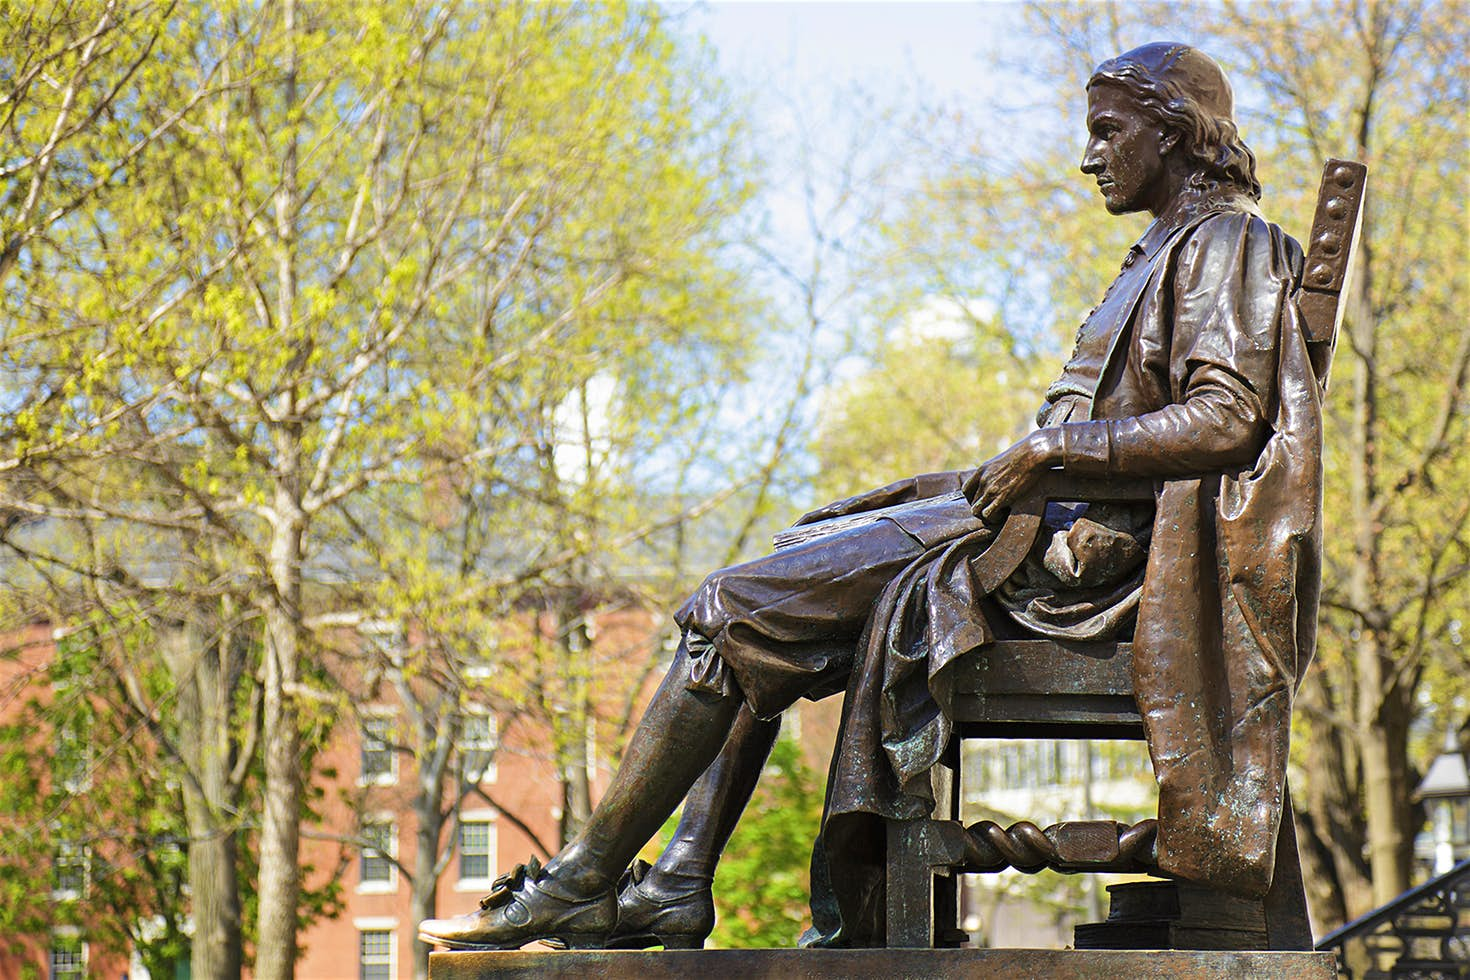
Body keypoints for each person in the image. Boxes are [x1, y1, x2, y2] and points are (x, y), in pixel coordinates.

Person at [419, 40, 1322, 951]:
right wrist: (980, 478)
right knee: (777, 573)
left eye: (1106, 131)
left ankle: (589, 882)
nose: (1088, 156)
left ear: (1173, 132)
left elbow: (1229, 419)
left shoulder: (1226, 243)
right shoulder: (1171, 247)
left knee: (731, 608)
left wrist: (1050, 449)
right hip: (1034, 534)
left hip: (1078, 571)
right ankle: (678, 878)